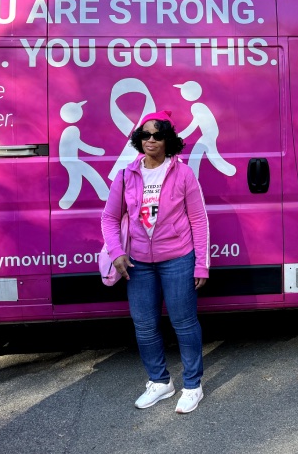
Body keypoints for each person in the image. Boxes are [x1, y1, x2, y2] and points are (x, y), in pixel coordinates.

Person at [101, 110, 210, 414]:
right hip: (138, 263)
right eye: (145, 135)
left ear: (168, 140)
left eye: (157, 135)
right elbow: (110, 218)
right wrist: (116, 252)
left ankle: (192, 385)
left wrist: (201, 263)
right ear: (138, 139)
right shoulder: (125, 175)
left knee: (184, 324)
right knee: (145, 326)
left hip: (177, 258)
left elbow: (198, 220)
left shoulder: (183, 174)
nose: (151, 140)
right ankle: (160, 382)